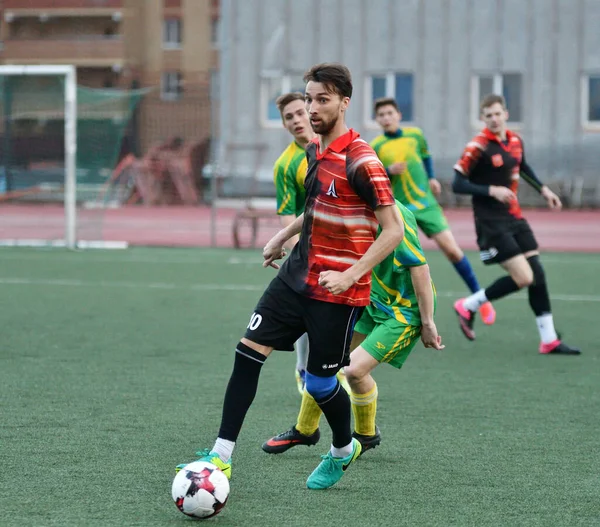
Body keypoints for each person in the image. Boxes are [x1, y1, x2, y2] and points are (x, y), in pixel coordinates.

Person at [177, 63, 405, 490]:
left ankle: (342, 449)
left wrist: (351, 273)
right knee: (247, 353)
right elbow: (316, 207)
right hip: (295, 277)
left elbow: (393, 230)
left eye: (322, 99)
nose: (312, 108)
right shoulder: (313, 152)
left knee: (320, 383)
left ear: (344, 102)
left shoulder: (363, 161)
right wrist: (282, 235)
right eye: (309, 98)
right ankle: (220, 455)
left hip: (338, 293)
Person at [262, 200, 444, 456]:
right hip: (372, 299)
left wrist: (427, 322)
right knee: (327, 358)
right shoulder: (350, 198)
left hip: (404, 310)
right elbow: (316, 211)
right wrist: (281, 238)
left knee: (353, 370)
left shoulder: (393, 216)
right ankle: (305, 430)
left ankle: (366, 435)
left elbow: (419, 268)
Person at [452, 94, 580, 355]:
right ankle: (469, 304)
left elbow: (523, 167)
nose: (494, 119)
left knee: (537, 275)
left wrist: (544, 190)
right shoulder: (477, 146)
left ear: (506, 114)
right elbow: (457, 183)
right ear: (484, 119)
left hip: (514, 217)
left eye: (498, 113)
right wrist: (491, 190)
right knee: (523, 277)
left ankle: (549, 340)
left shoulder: (515, 141)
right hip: (491, 222)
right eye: (489, 115)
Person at [370, 97, 496, 326]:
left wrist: (431, 178)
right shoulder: (376, 146)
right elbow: (372, 178)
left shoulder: (415, 135)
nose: (386, 118)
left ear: (399, 115)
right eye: (381, 115)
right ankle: (393, 311)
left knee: (452, 250)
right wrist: (388, 170)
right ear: (377, 120)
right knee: (398, 262)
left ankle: (479, 298)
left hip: (426, 204)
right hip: (399, 209)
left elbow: (426, 157)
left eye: (390, 113)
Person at [273, 92, 349, 395]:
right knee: (309, 312)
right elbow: (287, 218)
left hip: (345, 248)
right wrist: (303, 256)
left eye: (299, 113)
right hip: (312, 253)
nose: (296, 120)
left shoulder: (338, 148)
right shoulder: (286, 165)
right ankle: (303, 368)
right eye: (288, 117)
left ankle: (338, 367)